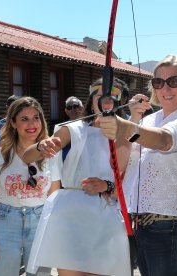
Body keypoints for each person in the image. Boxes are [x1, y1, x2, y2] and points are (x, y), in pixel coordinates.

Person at [99, 54, 177, 275]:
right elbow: (123, 163)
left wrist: (126, 128)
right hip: (141, 225)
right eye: (158, 82)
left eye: (174, 81)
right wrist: (131, 120)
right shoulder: (148, 121)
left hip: (172, 225)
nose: (165, 88)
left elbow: (166, 140)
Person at [22, 77, 131, 276]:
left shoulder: (128, 133)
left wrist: (106, 185)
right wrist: (41, 146)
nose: (106, 101)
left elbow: (126, 175)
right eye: (100, 96)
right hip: (71, 214)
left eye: (112, 97)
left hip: (105, 213)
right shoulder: (74, 128)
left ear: (120, 101)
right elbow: (28, 156)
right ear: (91, 100)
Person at [0, 97, 60, 276]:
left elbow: (54, 196)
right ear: (13, 123)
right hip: (5, 221)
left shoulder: (52, 153)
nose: (32, 123)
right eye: (24, 119)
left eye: (36, 117)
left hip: (40, 222)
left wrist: (53, 231)